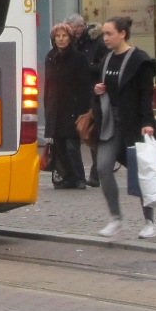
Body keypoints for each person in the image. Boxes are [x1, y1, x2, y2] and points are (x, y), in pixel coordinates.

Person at [91, 15, 156, 239]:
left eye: (109, 33)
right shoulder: (107, 59)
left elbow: (145, 94)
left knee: (141, 173)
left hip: (134, 124)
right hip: (111, 123)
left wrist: (148, 122)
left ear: (123, 34)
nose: (105, 38)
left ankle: (149, 221)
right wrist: (99, 91)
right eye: (104, 34)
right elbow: (106, 89)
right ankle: (116, 218)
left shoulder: (139, 60)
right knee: (103, 167)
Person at [44, 23, 93, 189]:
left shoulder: (78, 58)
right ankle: (66, 177)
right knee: (58, 145)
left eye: (64, 36)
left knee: (72, 145)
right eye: (57, 36)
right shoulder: (50, 57)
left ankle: (79, 178)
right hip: (55, 107)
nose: (61, 39)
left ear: (70, 38)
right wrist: (47, 107)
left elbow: (84, 86)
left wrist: (83, 111)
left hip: (72, 107)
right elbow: (47, 85)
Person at [67, 14, 107, 187]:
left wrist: (86, 67)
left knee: (94, 131)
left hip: (96, 92)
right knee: (85, 130)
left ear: (82, 26)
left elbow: (104, 66)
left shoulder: (97, 41)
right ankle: (85, 173)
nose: (73, 33)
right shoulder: (74, 42)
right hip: (80, 92)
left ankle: (97, 173)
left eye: (75, 29)